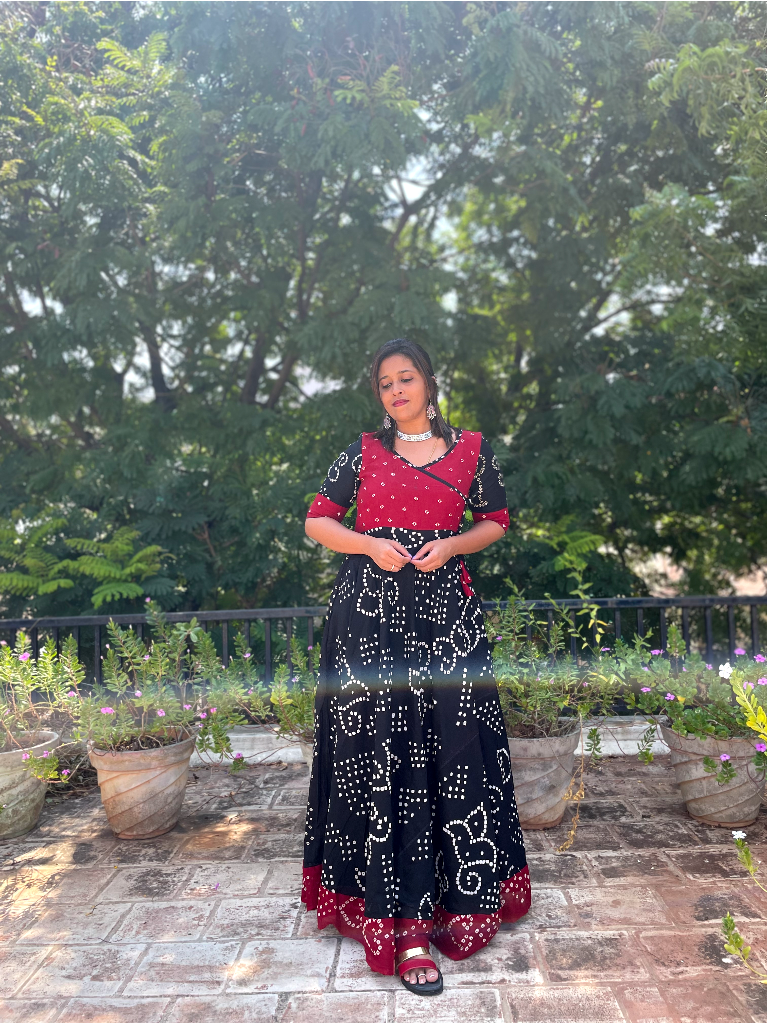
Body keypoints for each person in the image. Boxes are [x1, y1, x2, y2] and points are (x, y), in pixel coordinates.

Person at [301, 338, 530, 996]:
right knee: (385, 756)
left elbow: (495, 520)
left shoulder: (472, 451)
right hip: (369, 622)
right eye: (385, 383)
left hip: (446, 620)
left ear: (429, 382)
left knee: (453, 750)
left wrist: (452, 545)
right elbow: (317, 521)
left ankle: (459, 899)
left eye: (406, 378)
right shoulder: (361, 453)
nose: (396, 390)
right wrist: (368, 545)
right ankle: (401, 927)